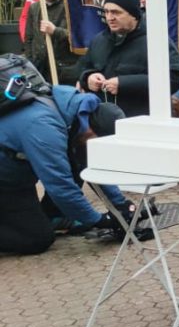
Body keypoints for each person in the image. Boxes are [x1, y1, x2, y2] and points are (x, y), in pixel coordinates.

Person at [0, 82, 120, 255]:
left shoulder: (73, 105)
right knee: (37, 239)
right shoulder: (43, 127)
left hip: (15, 178)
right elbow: (59, 186)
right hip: (5, 184)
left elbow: (89, 164)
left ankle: (54, 215)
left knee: (75, 161)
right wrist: (98, 220)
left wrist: (120, 205)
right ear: (91, 130)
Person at [77, 0, 179, 118]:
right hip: (103, 121)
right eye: (106, 12)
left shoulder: (155, 40)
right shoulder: (99, 40)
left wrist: (124, 84)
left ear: (134, 15)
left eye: (116, 12)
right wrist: (88, 78)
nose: (110, 18)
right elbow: (82, 68)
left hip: (142, 120)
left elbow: (174, 78)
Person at [22, 0, 78, 85]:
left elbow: (79, 38)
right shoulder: (35, 8)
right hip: (39, 70)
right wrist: (30, 61)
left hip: (64, 71)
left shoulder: (72, 8)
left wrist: (55, 31)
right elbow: (29, 38)